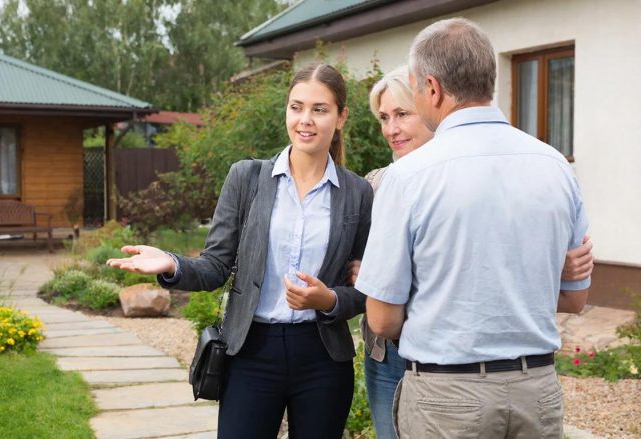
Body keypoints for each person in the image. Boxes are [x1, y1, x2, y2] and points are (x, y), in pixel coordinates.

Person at [107, 63, 372, 439]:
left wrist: (328, 299)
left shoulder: (358, 194)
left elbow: (365, 288)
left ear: (341, 117)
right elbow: (216, 266)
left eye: (319, 109)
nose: (305, 120)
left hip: (323, 358)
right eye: (296, 107)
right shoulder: (246, 178)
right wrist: (172, 264)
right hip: (251, 352)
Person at [354, 18, 590, 438]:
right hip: (537, 391)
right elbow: (575, 300)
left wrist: (445, 314)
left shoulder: (408, 177)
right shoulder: (556, 166)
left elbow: (383, 318)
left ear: (433, 88)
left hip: (447, 397)